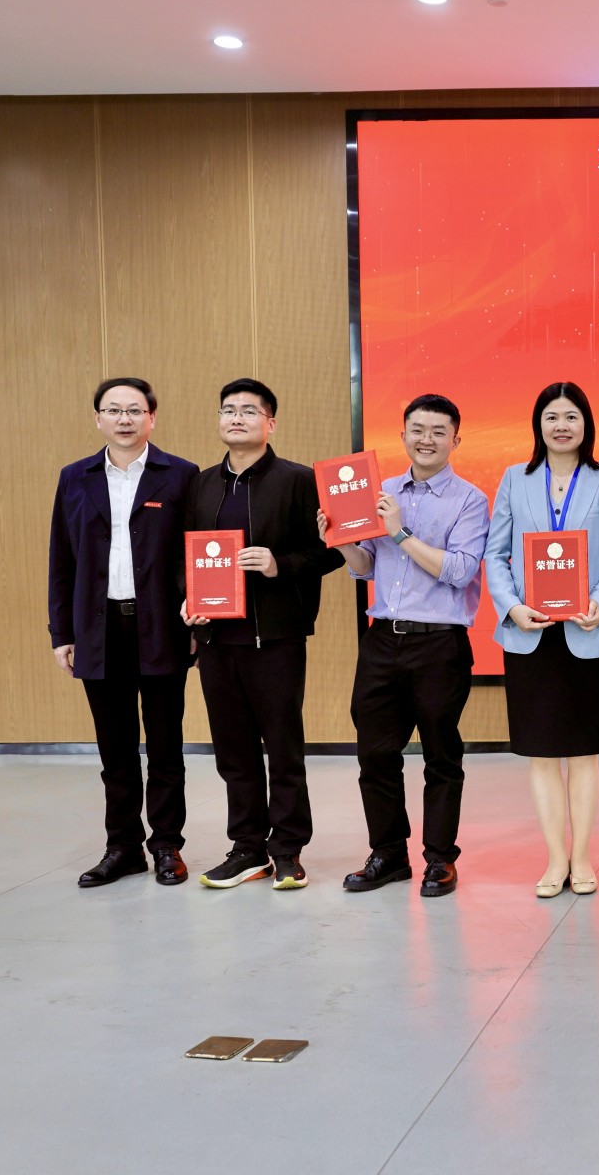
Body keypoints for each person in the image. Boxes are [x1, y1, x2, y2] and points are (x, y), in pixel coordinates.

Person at [181, 378, 343, 891]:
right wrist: (188, 598)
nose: (236, 418)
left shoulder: (298, 481)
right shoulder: (201, 485)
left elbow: (331, 552)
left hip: (274, 639)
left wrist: (279, 565)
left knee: (284, 748)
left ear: (270, 423)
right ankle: (247, 848)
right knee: (234, 753)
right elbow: (184, 554)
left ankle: (288, 849)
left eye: (249, 411)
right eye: (228, 409)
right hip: (216, 642)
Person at [329, 395, 488, 899]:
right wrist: (341, 540)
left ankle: (440, 859)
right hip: (381, 640)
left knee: (441, 754)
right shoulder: (382, 492)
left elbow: (459, 571)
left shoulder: (469, 500)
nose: (426, 439)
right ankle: (388, 854)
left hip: (439, 644)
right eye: (417, 429)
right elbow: (365, 569)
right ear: (402, 435)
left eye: (438, 431)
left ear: (455, 440)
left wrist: (398, 532)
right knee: (375, 753)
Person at [48, 377, 200, 888]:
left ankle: (167, 846)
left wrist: (198, 615)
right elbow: (61, 559)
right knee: (114, 749)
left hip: (161, 626)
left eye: (135, 410)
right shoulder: (75, 477)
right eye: (113, 410)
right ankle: (123, 847)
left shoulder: (180, 475)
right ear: (98, 419)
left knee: (165, 746)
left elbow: (193, 553)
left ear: (152, 418)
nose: (124, 419)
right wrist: (61, 631)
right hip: (98, 628)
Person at [486, 382, 599, 898]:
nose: (562, 426)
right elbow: (495, 554)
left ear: (586, 424)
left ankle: (583, 856)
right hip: (530, 633)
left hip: (586, 632)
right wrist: (512, 606)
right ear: (538, 425)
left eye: (571, 416)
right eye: (552, 417)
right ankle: (555, 858)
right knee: (543, 753)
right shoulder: (514, 478)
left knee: (583, 752)